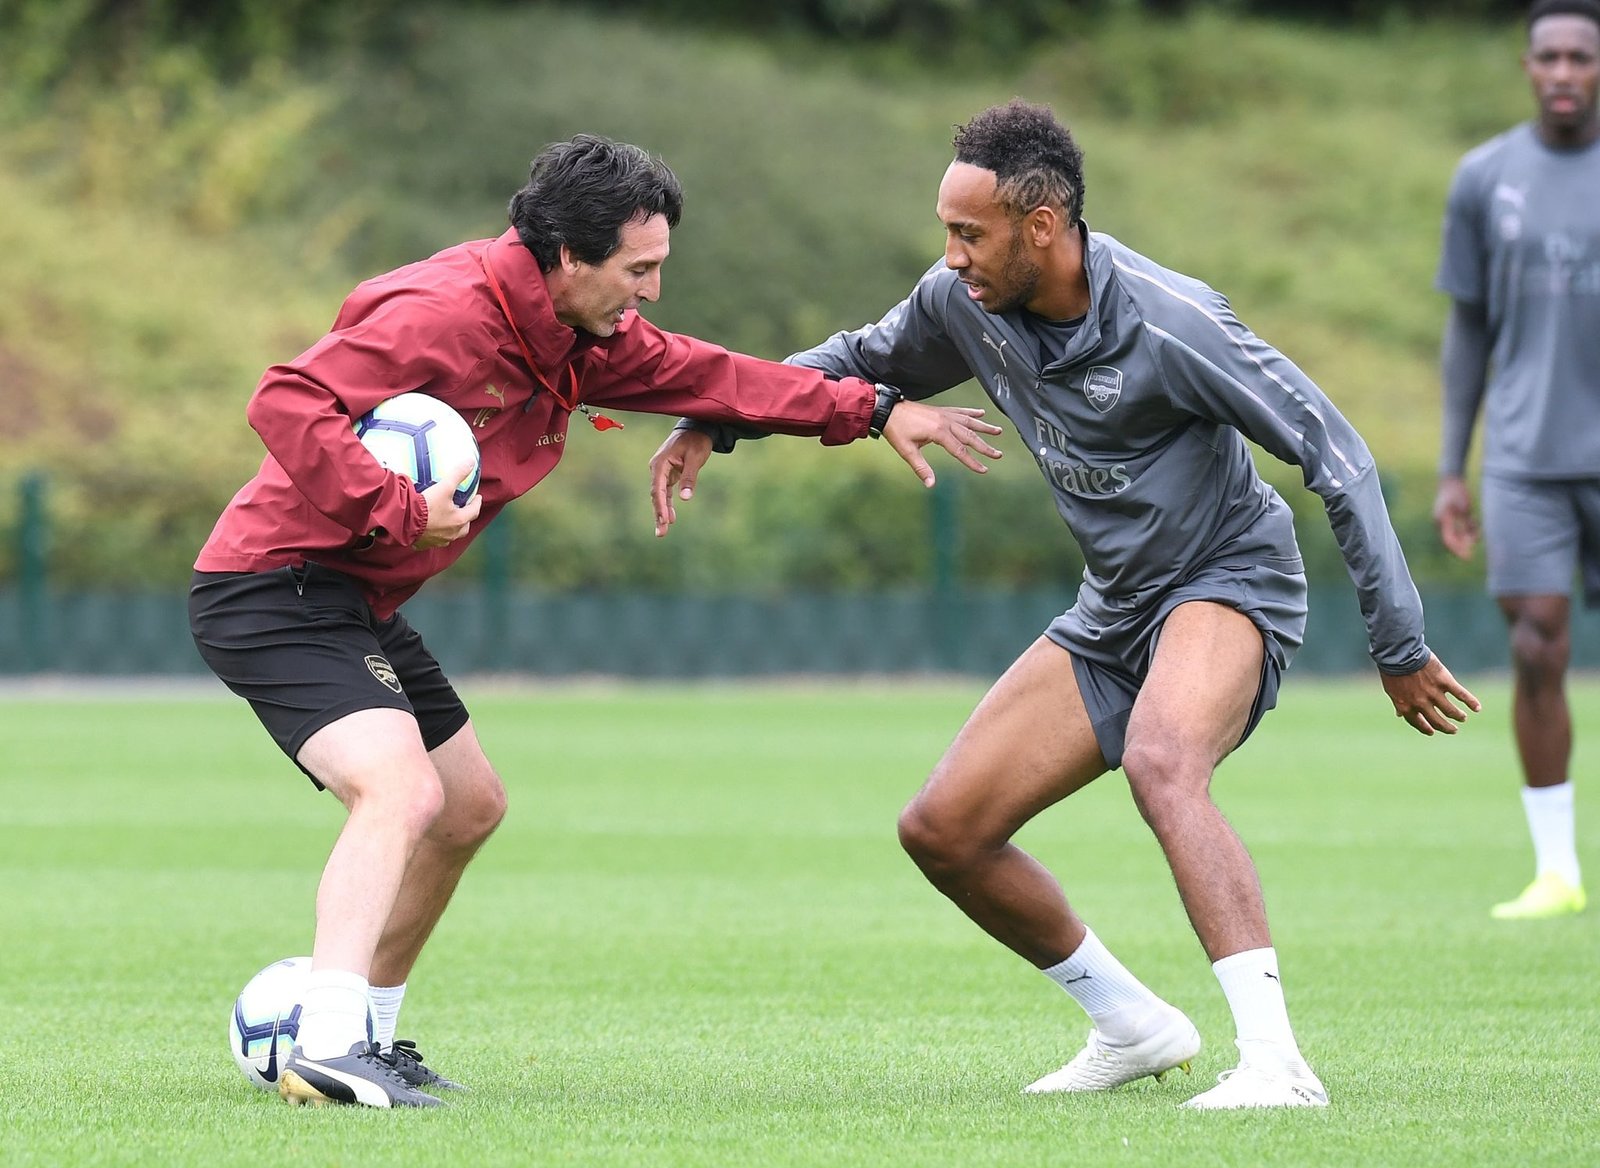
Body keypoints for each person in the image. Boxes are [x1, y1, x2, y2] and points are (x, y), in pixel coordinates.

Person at [649, 99, 1481, 1109]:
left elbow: (1336, 455)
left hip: (1227, 578)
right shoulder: (961, 302)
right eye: (947, 231)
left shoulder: (1173, 323)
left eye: (969, 233)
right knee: (943, 829)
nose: (951, 256)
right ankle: (1133, 1024)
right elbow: (853, 361)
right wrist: (717, 420)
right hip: (1114, 607)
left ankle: (1276, 1063)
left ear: (1040, 226)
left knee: (1163, 760)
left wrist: (1398, 642)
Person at [189, 134, 1000, 1108]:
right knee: (399, 790)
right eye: (638, 269)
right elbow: (288, 398)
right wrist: (393, 506)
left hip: (350, 599)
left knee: (467, 806)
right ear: (569, 256)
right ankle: (324, 1046)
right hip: (271, 588)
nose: (651, 291)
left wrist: (870, 408)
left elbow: (713, 375)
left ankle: (371, 1034)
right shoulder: (444, 314)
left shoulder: (572, 337)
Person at [1433, 0, 1599, 921]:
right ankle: (1557, 870)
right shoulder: (1485, 176)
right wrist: (1451, 467)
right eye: (1550, 56)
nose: (1564, 72)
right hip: (1526, 456)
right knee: (1537, 640)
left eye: (1581, 56)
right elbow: (1468, 328)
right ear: (1529, 67)